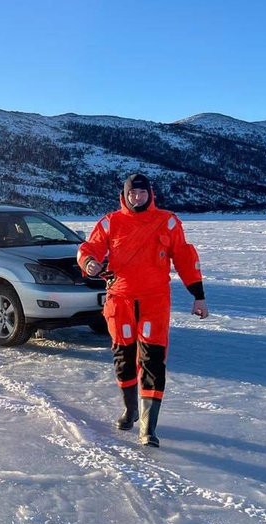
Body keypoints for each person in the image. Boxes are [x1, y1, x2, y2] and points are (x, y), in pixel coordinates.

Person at [77, 173, 209, 448]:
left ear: (150, 194)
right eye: (132, 194)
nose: (137, 198)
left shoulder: (167, 221)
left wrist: (198, 295)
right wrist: (89, 262)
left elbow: (185, 257)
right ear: (124, 195)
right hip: (120, 301)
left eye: (141, 193)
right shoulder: (110, 222)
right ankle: (130, 410)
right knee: (123, 358)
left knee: (152, 359)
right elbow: (88, 248)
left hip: (154, 301)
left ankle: (148, 428)